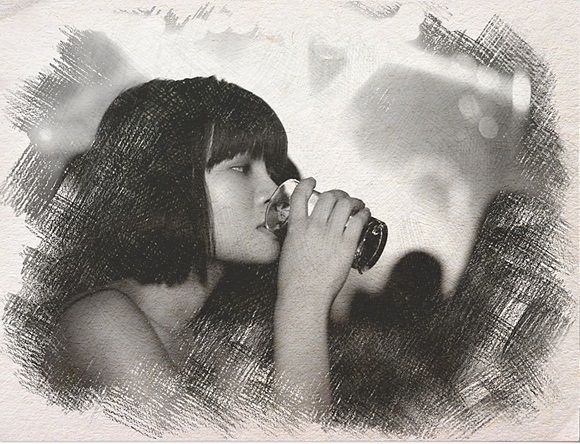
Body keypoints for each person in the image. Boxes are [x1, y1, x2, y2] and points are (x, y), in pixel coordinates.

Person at [49, 76, 371, 433]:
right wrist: (304, 301)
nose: (273, 190)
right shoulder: (99, 322)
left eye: (272, 171)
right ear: (170, 185)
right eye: (241, 168)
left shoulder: (218, 348)